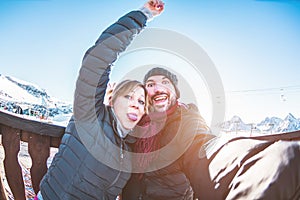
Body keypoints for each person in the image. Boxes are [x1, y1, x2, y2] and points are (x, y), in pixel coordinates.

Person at [36, 0, 165, 199]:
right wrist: (143, 14)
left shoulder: (130, 146)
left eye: (141, 102)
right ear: (112, 100)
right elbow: (98, 58)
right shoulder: (90, 116)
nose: (135, 103)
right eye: (129, 96)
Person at [122, 67, 216, 199]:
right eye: (150, 85)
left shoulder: (188, 121)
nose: (158, 89)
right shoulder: (136, 123)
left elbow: (206, 150)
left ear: (176, 92)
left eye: (165, 82)